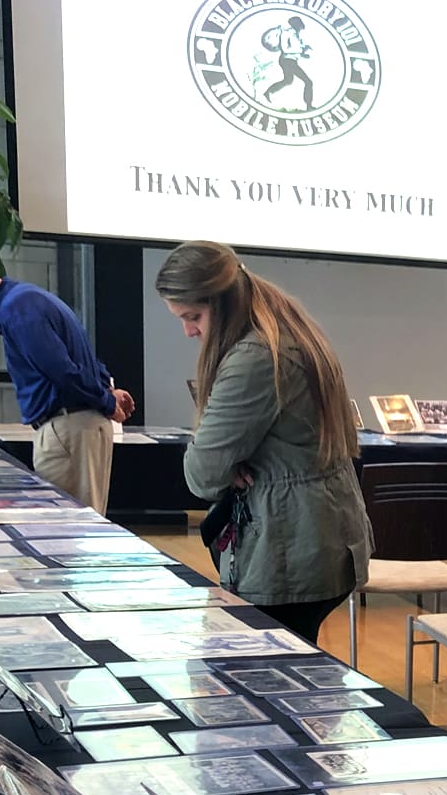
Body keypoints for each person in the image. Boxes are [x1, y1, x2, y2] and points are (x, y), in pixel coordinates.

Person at [154, 241, 371, 644]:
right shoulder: (288, 325)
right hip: (321, 536)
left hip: (289, 549)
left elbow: (201, 474)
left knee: (267, 683)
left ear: (222, 302)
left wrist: (225, 463)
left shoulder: (255, 356)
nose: (188, 331)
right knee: (297, 676)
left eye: (193, 316)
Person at [0, 255, 132, 512]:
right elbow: (81, 357)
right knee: (81, 525)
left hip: (67, 428)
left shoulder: (17, 308)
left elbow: (61, 370)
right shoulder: (30, 297)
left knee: (65, 533)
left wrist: (106, 400)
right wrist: (107, 391)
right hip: (80, 424)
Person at [262, 16, 315, 111]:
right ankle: (309, 106)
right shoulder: (286, 33)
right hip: (287, 61)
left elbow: (296, 49)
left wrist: (303, 52)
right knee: (308, 82)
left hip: (291, 60)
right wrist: (300, 50)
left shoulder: (296, 35)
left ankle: (268, 92)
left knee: (288, 80)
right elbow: (285, 49)